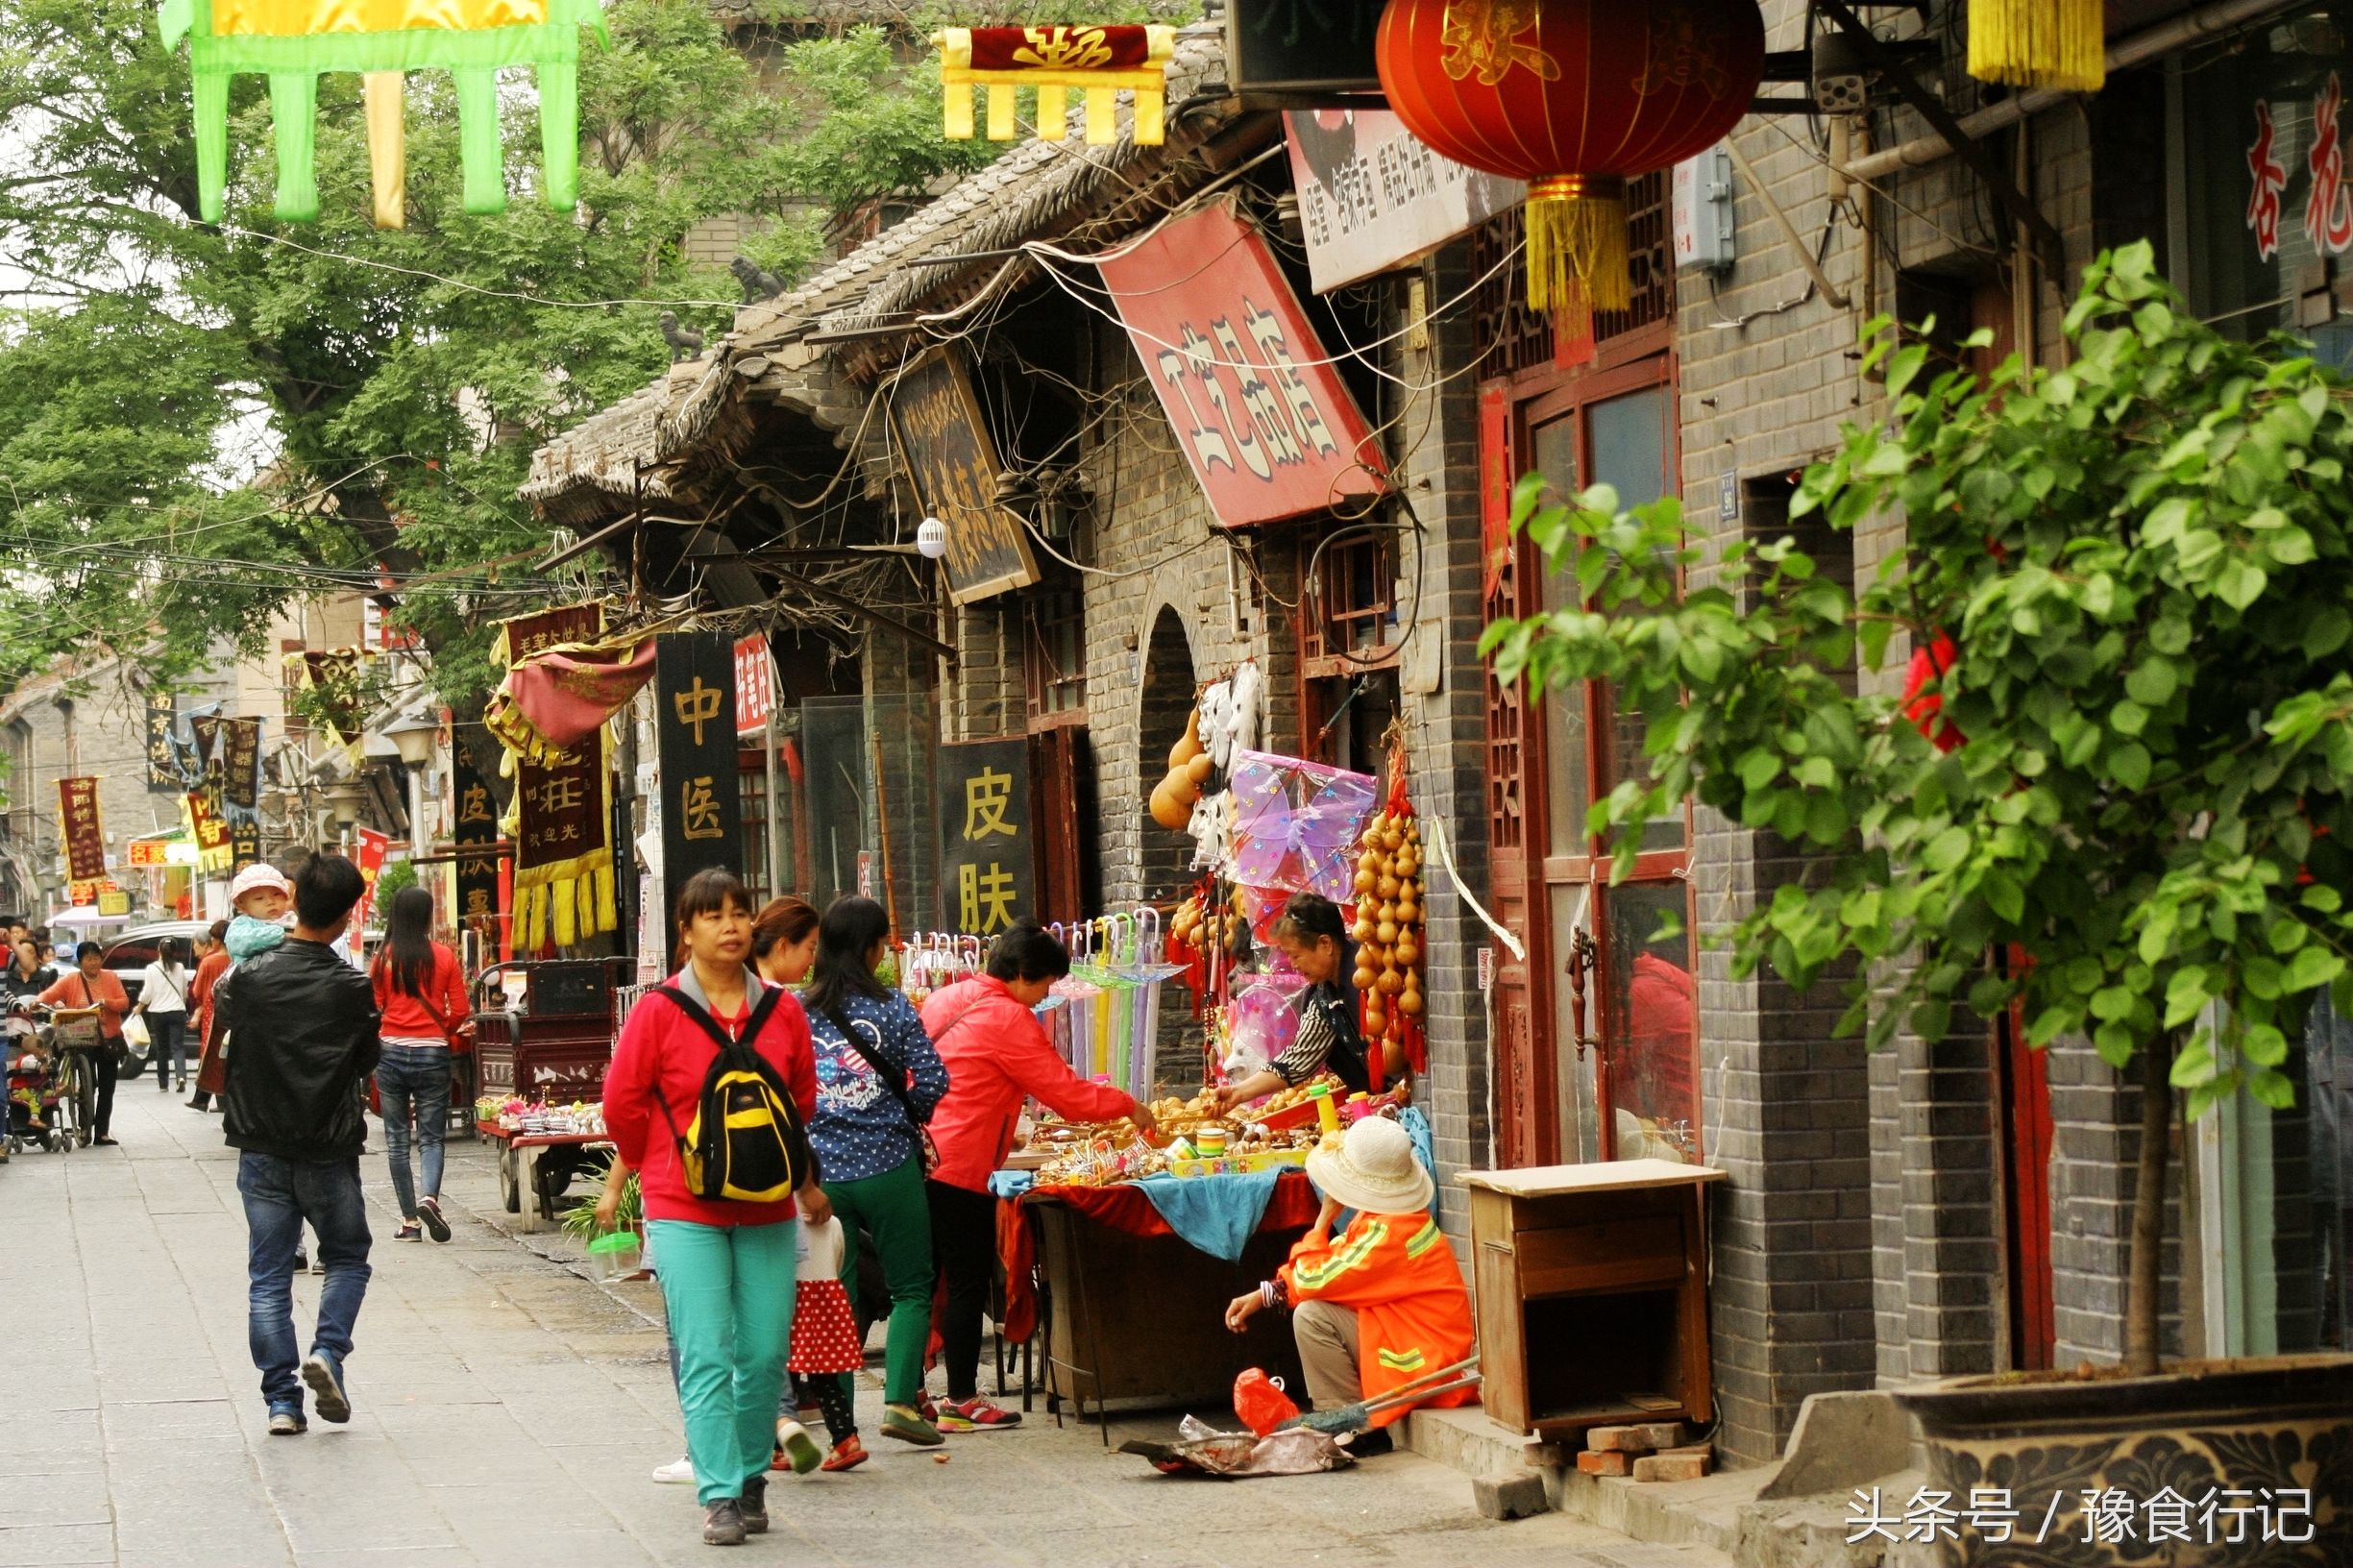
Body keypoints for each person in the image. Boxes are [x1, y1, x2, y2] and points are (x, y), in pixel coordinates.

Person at [601, 868, 827, 1548]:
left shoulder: (782, 1010)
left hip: (765, 1208)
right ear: (687, 930)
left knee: (761, 1354)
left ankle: (753, 1472)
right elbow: (622, 1103)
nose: (730, 926)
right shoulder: (658, 1011)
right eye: (713, 916)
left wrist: (772, 1163)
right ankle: (721, 1493)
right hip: (682, 1208)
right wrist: (661, 1165)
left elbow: (804, 1098)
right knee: (705, 1351)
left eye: (739, 913)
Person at [920, 919, 1152, 1431]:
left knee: (922, 1280)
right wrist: (1128, 1105)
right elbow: (1065, 1094)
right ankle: (960, 1399)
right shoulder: (1008, 1017)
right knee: (965, 1282)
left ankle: (912, 1393)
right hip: (961, 1161)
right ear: (1022, 973)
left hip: (925, 1153)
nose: (1048, 994)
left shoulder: (947, 997)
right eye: (1046, 983)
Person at [215, 853, 381, 1437]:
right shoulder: (352, 986)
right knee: (347, 1258)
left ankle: (281, 1402)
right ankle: (329, 1352)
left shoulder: (248, 978)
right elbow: (367, 1061)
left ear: (296, 899)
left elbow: (224, 1033)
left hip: (260, 1143)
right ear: (345, 916)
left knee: (268, 1275)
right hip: (328, 1147)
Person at [1222, 1115, 1475, 1456]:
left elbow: (1315, 1280)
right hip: (1412, 1336)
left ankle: (1354, 1426)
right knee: (1316, 1309)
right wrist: (1266, 1293)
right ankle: (1347, 1421)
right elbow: (1335, 1269)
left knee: (1313, 1317)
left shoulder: (1388, 1233)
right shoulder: (1389, 1220)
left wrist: (1323, 1220)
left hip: (1426, 1360)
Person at [800, 894, 950, 1450]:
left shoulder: (797, 1009)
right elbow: (933, 1079)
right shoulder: (894, 1007)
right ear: (871, 947)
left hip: (821, 1178)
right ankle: (900, 1404)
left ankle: (843, 1428)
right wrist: (903, 1116)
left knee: (838, 1296)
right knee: (913, 1286)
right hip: (889, 1167)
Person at [370, 887, 471, 1244]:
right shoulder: (444, 956)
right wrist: (439, 1030)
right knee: (431, 1137)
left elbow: (376, 1005)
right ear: (428, 916)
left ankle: (410, 1221)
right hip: (432, 1053)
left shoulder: (384, 956)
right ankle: (430, 1197)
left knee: (397, 1141)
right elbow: (460, 1009)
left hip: (391, 1051)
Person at [1215, 893, 1373, 1112]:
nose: (1293, 965)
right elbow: (1298, 1059)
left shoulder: (1369, 973)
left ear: (1325, 944)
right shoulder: (1324, 995)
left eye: (1295, 955)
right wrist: (1239, 1092)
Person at [775, 1212, 867, 1473]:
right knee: (826, 1380)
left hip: (791, 1302)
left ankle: (778, 1446)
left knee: (785, 1377)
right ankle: (845, 1438)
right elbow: (838, 1260)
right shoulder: (834, 1223)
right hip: (827, 1303)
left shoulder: (784, 1223)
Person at [39, 942, 132, 1146]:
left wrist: (107, 1003)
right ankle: (84, 1126)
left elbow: (124, 1002)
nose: (93, 962)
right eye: (89, 959)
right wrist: (37, 1001)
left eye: (97, 958)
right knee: (88, 1086)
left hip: (109, 1040)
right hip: (81, 1039)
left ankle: (102, 1132)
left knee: (108, 1088)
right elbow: (50, 994)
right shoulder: (71, 980)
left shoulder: (111, 977)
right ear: (80, 961)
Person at [134, 936, 194, 1096]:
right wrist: (182, 1004)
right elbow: (184, 992)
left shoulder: (152, 969)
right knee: (178, 1046)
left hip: (158, 1013)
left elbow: (147, 992)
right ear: (175, 951)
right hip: (177, 1011)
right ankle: (181, 1076)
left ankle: (163, 1084)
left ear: (158, 950)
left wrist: (139, 1007)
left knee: (162, 1049)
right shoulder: (180, 968)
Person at [185, 920, 231, 1111]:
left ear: (217, 940)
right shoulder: (236, 960)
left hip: (211, 1015)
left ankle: (204, 1098)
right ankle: (222, 1101)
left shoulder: (209, 961)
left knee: (210, 1055)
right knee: (228, 1055)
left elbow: (197, 992)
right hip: (231, 1012)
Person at [751, 897, 819, 988]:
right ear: (783, 946)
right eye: (811, 949)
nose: (813, 961)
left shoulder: (739, 988)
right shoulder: (778, 998)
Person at [1, 937, 56, 1005]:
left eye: (31, 952)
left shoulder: (46, 977)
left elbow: (55, 997)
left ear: (37, 956)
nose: (25, 955)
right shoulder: (6, 977)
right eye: (22, 952)